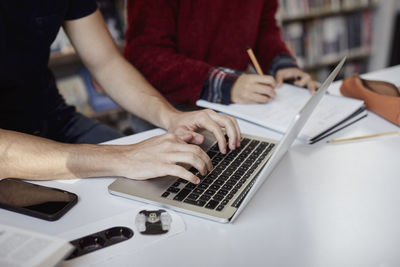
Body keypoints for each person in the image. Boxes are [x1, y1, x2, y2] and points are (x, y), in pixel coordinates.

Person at [0, 1, 241, 184]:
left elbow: (106, 63)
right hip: (9, 147)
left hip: (52, 118)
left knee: (168, 181)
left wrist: (172, 117)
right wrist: (124, 157)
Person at [124, 0, 320, 107]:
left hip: (232, 101)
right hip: (166, 108)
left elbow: (263, 28)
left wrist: (282, 65)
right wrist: (226, 84)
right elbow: (146, 55)